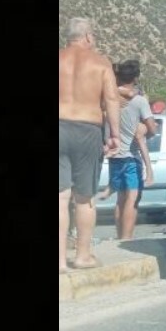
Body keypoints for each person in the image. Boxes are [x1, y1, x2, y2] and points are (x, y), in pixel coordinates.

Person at [59, 17, 120, 274]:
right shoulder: (101, 63)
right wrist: (114, 135)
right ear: (87, 37)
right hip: (87, 130)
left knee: (60, 198)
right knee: (84, 199)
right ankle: (82, 256)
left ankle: (59, 261)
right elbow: (111, 100)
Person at [106, 60, 157, 240]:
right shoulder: (139, 101)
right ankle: (126, 239)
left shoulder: (111, 98)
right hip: (131, 155)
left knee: (120, 199)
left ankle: (119, 235)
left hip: (114, 155)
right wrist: (144, 133)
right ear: (135, 78)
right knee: (132, 199)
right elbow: (152, 128)